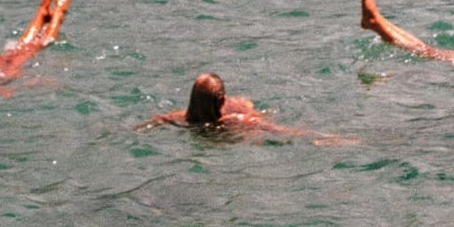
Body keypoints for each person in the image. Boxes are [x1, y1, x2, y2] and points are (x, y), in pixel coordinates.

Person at [139, 72, 350, 144]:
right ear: (222, 101)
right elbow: (283, 131)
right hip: (232, 136)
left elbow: (155, 120)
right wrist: (325, 137)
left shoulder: (180, 119)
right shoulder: (237, 120)